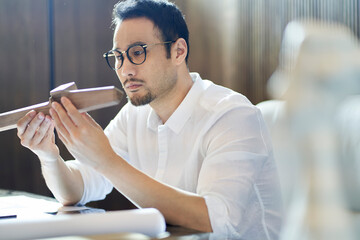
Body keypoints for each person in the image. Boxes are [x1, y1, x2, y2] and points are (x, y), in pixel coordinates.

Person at [16, 0, 282, 239]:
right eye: (118, 56)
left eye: (137, 52)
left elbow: (213, 219)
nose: (125, 69)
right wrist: (49, 156)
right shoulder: (135, 115)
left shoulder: (232, 115)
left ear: (178, 52)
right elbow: (77, 191)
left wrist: (107, 160)